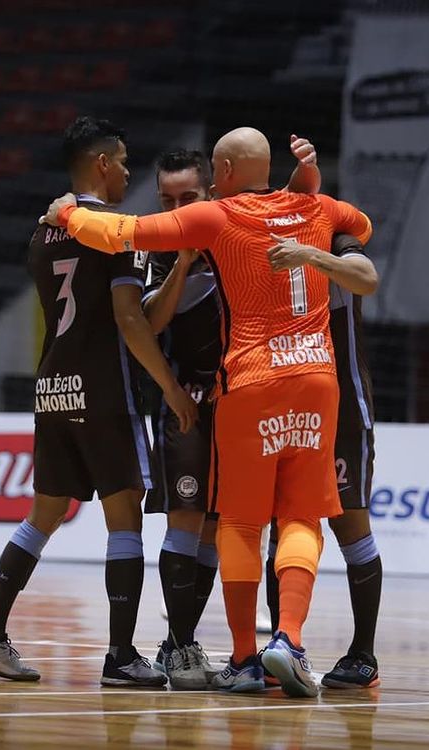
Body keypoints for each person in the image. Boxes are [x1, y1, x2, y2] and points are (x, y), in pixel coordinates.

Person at [41, 126, 372, 698]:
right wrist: (308, 191)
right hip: (317, 382)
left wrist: (68, 215)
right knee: (300, 519)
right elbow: (360, 226)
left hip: (250, 382)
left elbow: (125, 232)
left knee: (241, 524)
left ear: (220, 171)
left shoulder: (216, 217)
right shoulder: (317, 206)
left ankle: (244, 658)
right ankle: (288, 640)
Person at [0, 116, 197, 688]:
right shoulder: (112, 230)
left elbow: (101, 308)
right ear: (100, 164)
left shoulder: (42, 233)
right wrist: (169, 387)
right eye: (120, 161)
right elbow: (128, 319)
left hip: (52, 386)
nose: (126, 171)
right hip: (103, 387)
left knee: (43, 514)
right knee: (124, 515)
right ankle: (120, 655)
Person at [142, 141, 320, 690]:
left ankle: (267, 651)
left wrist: (307, 171)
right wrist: (186, 261)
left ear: (212, 189)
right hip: (191, 399)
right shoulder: (169, 245)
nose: (176, 209)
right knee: (188, 520)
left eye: (187, 197)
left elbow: (303, 209)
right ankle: (180, 647)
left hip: (250, 393)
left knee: (236, 525)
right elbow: (148, 322)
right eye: (166, 199)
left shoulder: (235, 225)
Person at [265, 231, 381, 689]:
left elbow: (367, 278)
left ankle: (364, 655)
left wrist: (309, 254)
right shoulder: (269, 235)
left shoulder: (338, 236)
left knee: (350, 524)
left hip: (346, 410)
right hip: (287, 405)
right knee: (284, 522)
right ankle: (284, 645)